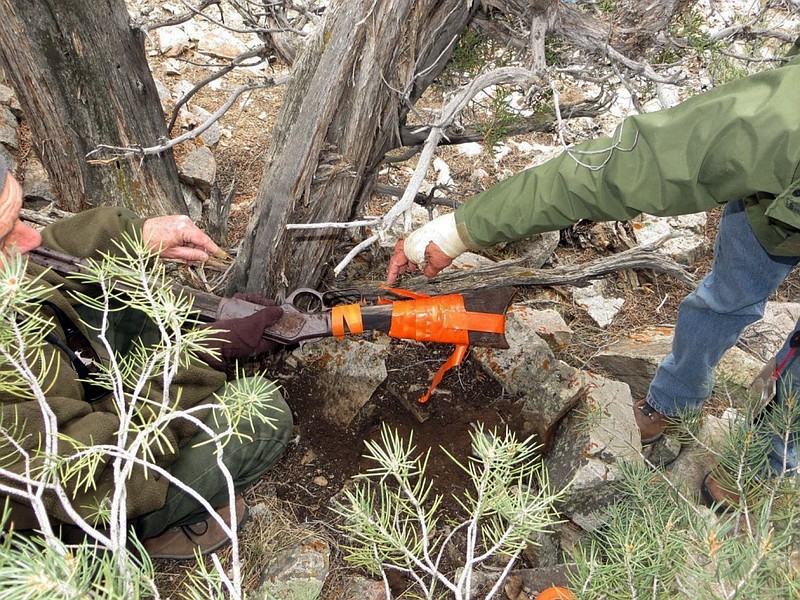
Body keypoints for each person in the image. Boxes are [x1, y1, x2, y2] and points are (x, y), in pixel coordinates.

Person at [387, 45, 800, 509]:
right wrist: (459, 230)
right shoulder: (779, 126)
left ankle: (769, 459)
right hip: (775, 209)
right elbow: (619, 170)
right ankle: (674, 402)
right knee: (724, 300)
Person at [0, 158, 293, 559]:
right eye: (5, 237)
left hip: (68, 422)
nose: (30, 239)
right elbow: (102, 472)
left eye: (20, 218)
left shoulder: (13, 274)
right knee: (260, 413)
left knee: (127, 303)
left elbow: (44, 255)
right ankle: (124, 542)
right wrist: (199, 355)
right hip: (72, 501)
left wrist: (131, 236)